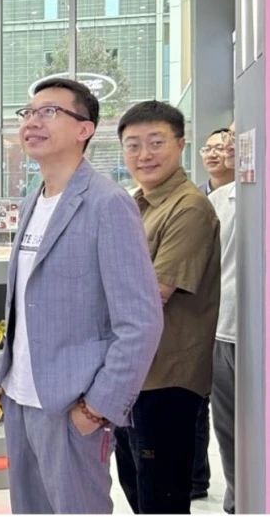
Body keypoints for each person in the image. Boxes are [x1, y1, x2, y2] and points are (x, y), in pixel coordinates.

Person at [0, 78, 163, 514]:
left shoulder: (107, 204)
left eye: (49, 112)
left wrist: (98, 407)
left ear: (85, 129)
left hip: (72, 406)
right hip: (21, 397)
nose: (32, 122)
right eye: (28, 113)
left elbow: (140, 322)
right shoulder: (33, 200)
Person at [114, 101, 220, 514]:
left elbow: (154, 293)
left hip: (167, 376)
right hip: (135, 373)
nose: (144, 155)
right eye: (133, 145)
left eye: (156, 142)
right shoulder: (137, 204)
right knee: (137, 487)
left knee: (162, 498)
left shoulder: (188, 207)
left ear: (180, 144)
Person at [191, 127, 232, 499]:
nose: (218, 152)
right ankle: (206, 482)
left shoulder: (248, 197)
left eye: (227, 145)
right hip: (212, 322)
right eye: (212, 147)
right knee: (212, 410)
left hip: (237, 322)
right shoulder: (203, 200)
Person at [209, 124, 237, 514]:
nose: (228, 144)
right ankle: (238, 500)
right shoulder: (218, 201)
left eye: (234, 136)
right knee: (228, 429)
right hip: (223, 331)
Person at [199, 128, 234, 196]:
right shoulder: (195, 195)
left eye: (219, 148)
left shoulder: (245, 191)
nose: (211, 155)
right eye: (207, 149)